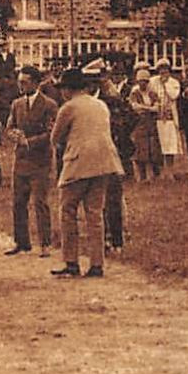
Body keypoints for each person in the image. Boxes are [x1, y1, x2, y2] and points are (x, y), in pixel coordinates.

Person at [49, 68, 125, 279]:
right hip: (105, 162)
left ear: (67, 89)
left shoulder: (68, 107)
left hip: (79, 162)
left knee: (67, 211)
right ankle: (97, 264)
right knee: (95, 214)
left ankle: (71, 262)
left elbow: (55, 139)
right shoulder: (101, 105)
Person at [4, 66, 58, 256]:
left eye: (25, 82)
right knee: (18, 202)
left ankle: (45, 243)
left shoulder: (49, 105)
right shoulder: (17, 104)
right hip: (21, 161)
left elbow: (51, 132)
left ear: (36, 83)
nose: (21, 85)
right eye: (19, 81)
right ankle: (22, 242)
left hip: (40, 161)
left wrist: (29, 141)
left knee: (40, 203)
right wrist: (14, 134)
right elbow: (9, 127)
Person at [148, 59, 184, 175]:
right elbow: (149, 94)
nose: (163, 72)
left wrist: (165, 83)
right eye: (161, 70)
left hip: (169, 116)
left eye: (165, 70)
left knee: (170, 145)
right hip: (156, 115)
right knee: (157, 144)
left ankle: (170, 171)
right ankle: (159, 171)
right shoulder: (152, 81)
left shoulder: (174, 82)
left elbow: (174, 95)